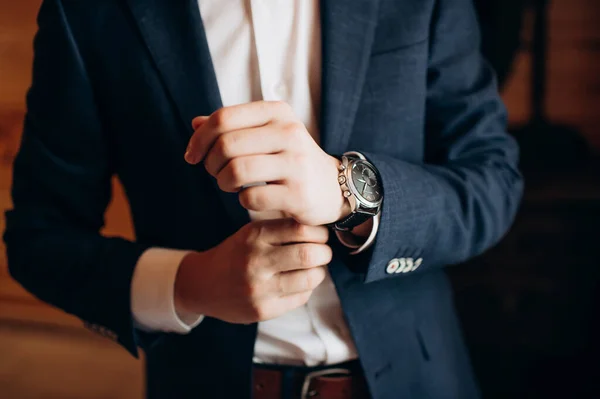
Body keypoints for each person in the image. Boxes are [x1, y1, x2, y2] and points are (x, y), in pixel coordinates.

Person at [3, 0, 523, 398]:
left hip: (418, 378)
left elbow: (492, 180)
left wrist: (349, 190)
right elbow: (39, 238)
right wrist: (189, 284)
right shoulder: (87, 11)